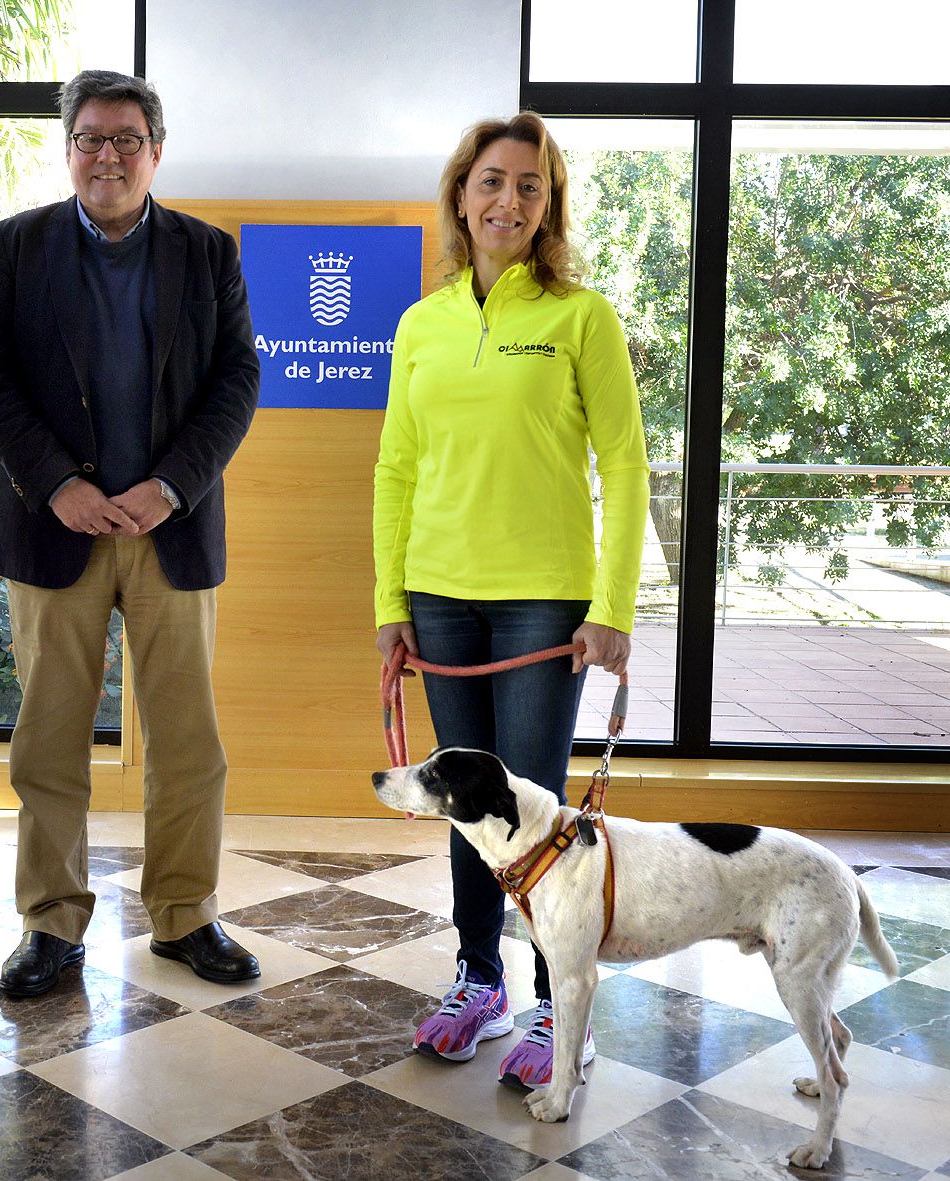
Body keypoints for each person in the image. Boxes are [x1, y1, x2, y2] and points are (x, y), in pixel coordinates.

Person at [0, 69, 262, 998]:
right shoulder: (15, 245)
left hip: (168, 526)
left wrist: (173, 485)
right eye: (91, 137)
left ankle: (186, 915)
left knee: (186, 740)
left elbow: (236, 381)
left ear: (156, 151)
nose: (108, 154)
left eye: (128, 139)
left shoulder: (207, 253)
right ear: (69, 149)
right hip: (58, 529)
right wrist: (55, 484)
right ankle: (50, 923)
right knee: (50, 737)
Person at [372, 112, 648, 1089]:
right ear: (460, 194)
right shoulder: (421, 324)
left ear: (548, 206)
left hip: (543, 601)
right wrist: (388, 604)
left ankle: (549, 998)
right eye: (492, 180)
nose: (508, 200)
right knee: (464, 807)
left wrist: (610, 605)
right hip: (440, 598)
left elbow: (625, 463)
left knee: (533, 806)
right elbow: (395, 471)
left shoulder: (581, 318)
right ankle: (476, 975)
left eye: (530, 187)